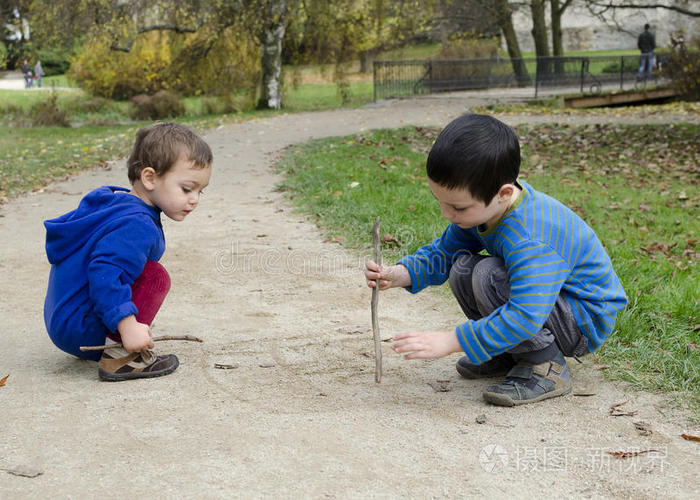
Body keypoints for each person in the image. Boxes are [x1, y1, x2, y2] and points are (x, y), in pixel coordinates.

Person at [365, 114, 627, 406]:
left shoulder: (531, 236)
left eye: (457, 207)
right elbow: (445, 253)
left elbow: (527, 314)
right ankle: (508, 354)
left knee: (487, 274)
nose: (446, 214)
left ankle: (546, 366)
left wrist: (452, 340)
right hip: (548, 305)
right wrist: (400, 273)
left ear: (503, 193)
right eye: (439, 201)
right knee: (463, 268)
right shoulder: (490, 207)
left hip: (582, 318)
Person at [44, 122, 213, 381]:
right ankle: (120, 357)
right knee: (155, 276)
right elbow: (105, 271)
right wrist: (127, 324)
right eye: (187, 189)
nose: (195, 199)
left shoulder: (115, 203)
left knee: (139, 270)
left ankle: (112, 336)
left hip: (64, 321)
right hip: (79, 328)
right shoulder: (136, 224)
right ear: (150, 178)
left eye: (201, 191)